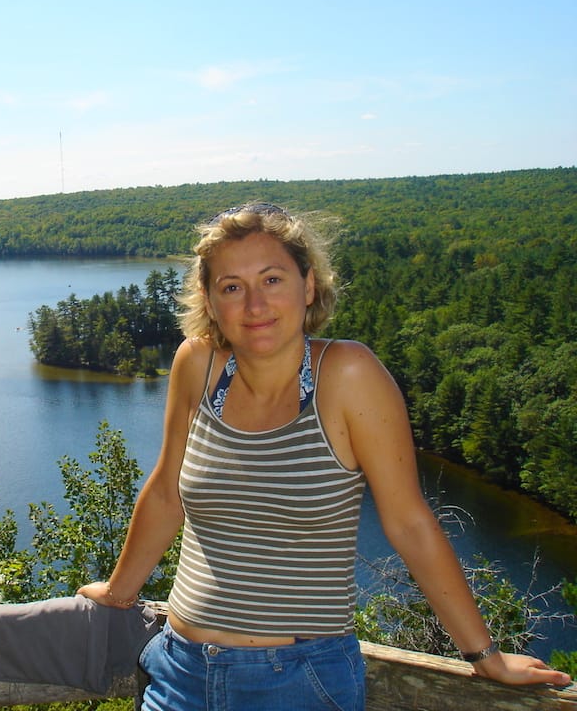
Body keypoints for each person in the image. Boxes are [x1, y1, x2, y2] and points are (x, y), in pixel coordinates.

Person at [78, 202, 572, 710]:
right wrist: (119, 592)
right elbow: (165, 493)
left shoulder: (349, 376)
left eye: (272, 279)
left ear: (308, 285)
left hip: (298, 680)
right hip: (178, 672)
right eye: (232, 287)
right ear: (209, 298)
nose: (254, 304)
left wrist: (484, 654)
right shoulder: (197, 363)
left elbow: (409, 523)